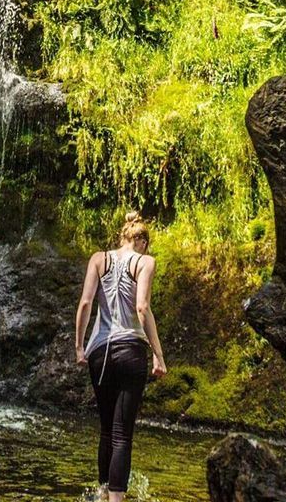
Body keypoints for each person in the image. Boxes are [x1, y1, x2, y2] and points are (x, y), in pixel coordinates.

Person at [74, 212, 167, 502]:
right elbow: (142, 307)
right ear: (141, 240)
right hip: (131, 351)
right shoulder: (145, 262)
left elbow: (86, 302)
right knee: (122, 434)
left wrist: (79, 346)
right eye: (146, 243)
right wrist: (158, 355)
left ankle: (103, 493)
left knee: (105, 431)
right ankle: (116, 500)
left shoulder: (98, 259)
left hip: (99, 352)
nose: (146, 249)